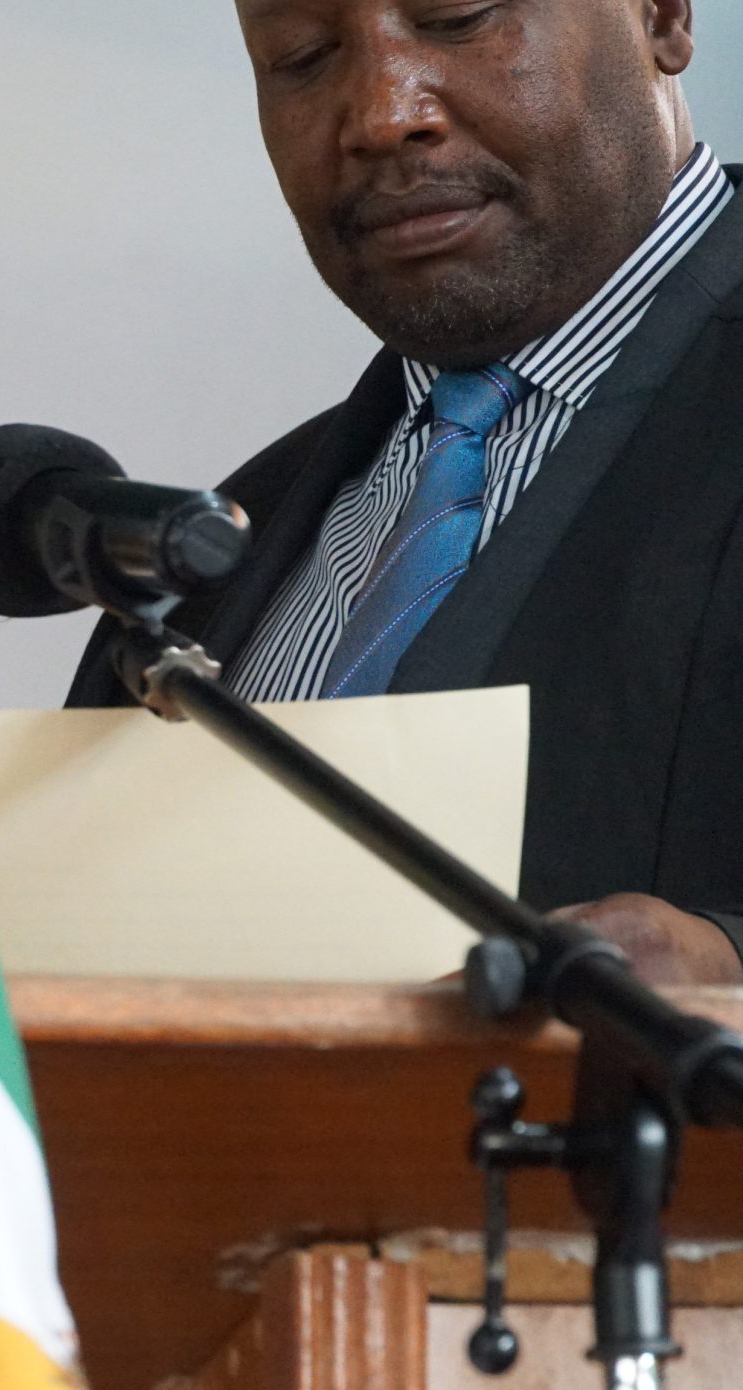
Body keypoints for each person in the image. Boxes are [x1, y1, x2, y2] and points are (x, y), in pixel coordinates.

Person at [67, 0, 743, 984]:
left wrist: (725, 973)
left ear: (664, 16)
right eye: (301, 57)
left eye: (457, 16)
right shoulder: (212, 560)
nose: (383, 113)